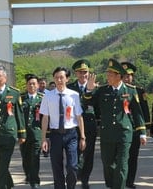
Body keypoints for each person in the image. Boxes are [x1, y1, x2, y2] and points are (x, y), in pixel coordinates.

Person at [83, 58, 146, 189]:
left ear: (119, 76)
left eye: (110, 75)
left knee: (122, 164)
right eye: (107, 74)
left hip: (124, 133)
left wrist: (142, 132)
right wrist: (89, 90)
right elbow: (88, 102)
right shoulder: (102, 90)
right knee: (108, 164)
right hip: (107, 133)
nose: (108, 77)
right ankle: (113, 185)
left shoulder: (130, 90)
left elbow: (137, 113)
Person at [40, 66, 86, 189]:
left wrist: (82, 137)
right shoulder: (48, 96)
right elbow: (45, 118)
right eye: (56, 78)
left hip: (71, 134)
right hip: (55, 135)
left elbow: (79, 117)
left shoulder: (74, 95)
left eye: (61, 77)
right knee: (56, 166)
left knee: (72, 166)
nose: (59, 80)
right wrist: (44, 138)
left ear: (67, 79)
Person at [66, 59, 96, 189]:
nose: (83, 75)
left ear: (89, 73)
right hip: (74, 126)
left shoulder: (96, 88)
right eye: (80, 72)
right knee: (74, 153)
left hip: (89, 126)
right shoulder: (70, 88)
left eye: (85, 72)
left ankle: (85, 179)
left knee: (88, 154)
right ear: (75, 74)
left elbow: (99, 108)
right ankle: (76, 174)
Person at [121, 62, 150, 189]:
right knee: (121, 157)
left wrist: (145, 128)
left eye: (129, 76)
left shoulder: (138, 91)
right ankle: (121, 179)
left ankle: (130, 181)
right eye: (124, 76)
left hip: (135, 128)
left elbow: (144, 110)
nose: (127, 78)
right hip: (121, 128)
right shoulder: (118, 90)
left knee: (132, 157)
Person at [20, 74, 44, 188]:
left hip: (36, 133)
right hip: (24, 134)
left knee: (35, 157)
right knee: (25, 158)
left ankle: (35, 181)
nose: (32, 86)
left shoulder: (42, 98)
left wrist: (45, 136)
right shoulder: (21, 98)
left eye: (34, 83)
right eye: (29, 84)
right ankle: (28, 175)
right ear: (26, 86)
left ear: (38, 85)